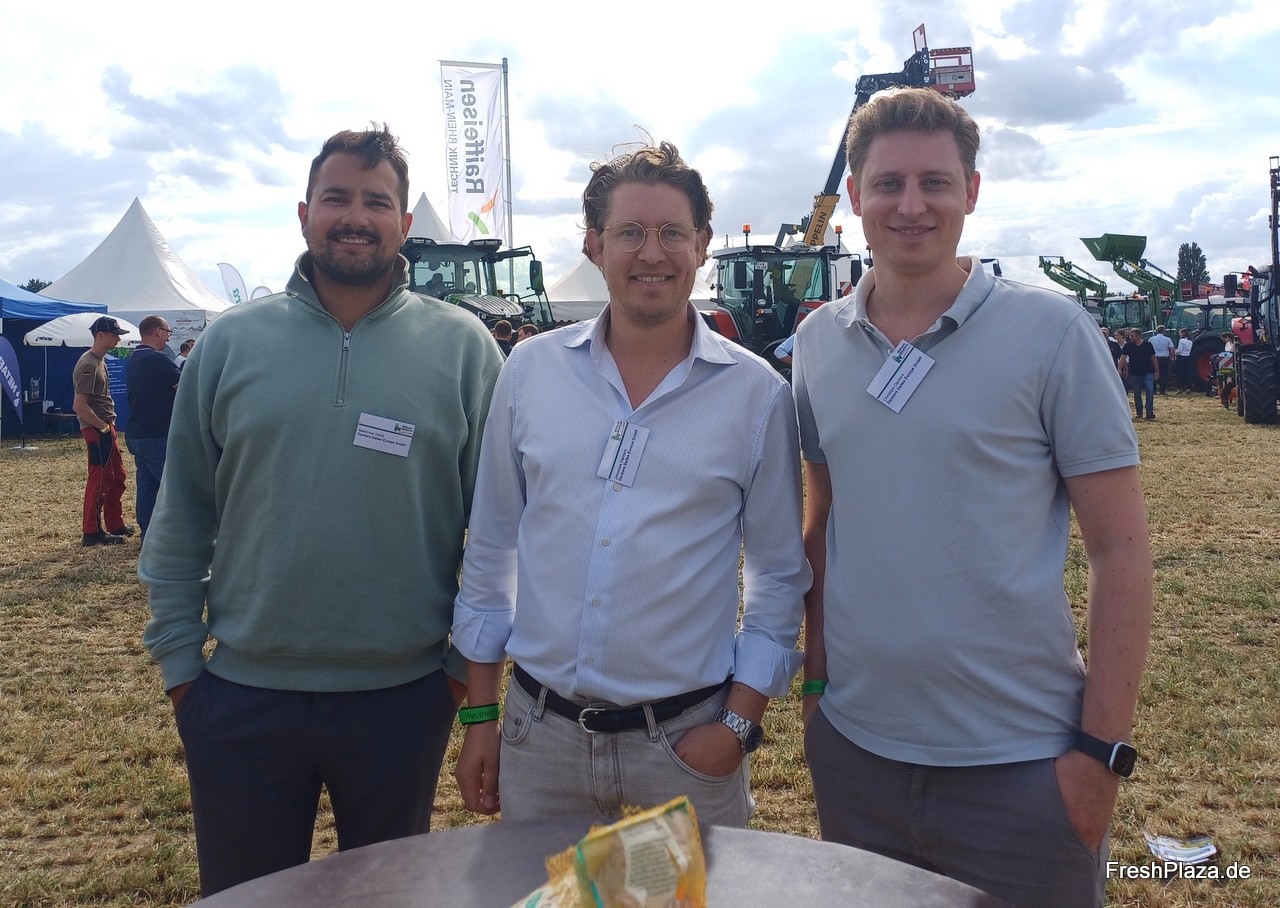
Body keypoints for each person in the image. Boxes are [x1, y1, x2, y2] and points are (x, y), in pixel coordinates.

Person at [793, 88, 1153, 908]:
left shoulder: (1053, 334)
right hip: (858, 758)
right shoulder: (817, 344)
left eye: (935, 182)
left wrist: (1100, 757)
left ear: (973, 191)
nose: (910, 205)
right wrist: (816, 698)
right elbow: (824, 525)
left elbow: (1120, 552)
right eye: (888, 183)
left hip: (1022, 768)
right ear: (854, 196)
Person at [139, 124, 504, 897]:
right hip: (241, 698)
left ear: (406, 223)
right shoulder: (230, 345)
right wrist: (182, 673)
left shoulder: (465, 349)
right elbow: (181, 517)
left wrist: (453, 678)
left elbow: (501, 533)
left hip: (403, 700)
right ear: (305, 213)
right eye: (337, 198)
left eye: (377, 201)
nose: (355, 217)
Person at [451, 141, 809, 828]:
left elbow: (776, 577)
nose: (652, 252)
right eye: (630, 233)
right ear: (593, 244)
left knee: (685, 891)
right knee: (544, 889)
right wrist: (480, 715)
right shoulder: (529, 372)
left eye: (673, 232)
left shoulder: (757, 396)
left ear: (702, 245)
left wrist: (737, 725)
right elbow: (493, 549)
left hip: (684, 748)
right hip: (540, 741)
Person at [72, 316, 133, 546]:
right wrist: (102, 428)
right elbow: (79, 405)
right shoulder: (88, 364)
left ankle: (114, 523)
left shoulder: (98, 360)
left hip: (105, 426)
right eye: (114, 335)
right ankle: (92, 531)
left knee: (117, 476)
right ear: (100, 335)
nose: (118, 339)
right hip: (98, 428)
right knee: (100, 480)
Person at [124, 315, 181, 539]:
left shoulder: (134, 358)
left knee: (147, 487)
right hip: (157, 434)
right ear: (157, 331)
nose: (168, 338)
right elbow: (185, 389)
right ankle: (175, 538)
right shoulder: (158, 359)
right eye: (167, 332)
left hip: (137, 433)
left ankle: (148, 535)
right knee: (172, 488)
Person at [1122, 328, 1159, 419]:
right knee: (1137, 393)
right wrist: (1119, 369)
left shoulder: (1148, 345)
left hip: (1148, 372)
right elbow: (1123, 358)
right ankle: (1139, 412)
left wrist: (1157, 371)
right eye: (1130, 336)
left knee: (1149, 391)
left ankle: (1149, 412)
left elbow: (1153, 358)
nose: (1130, 338)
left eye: (1132, 336)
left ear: (1138, 336)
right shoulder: (1128, 346)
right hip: (1134, 373)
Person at [1149, 325, 1174, 394]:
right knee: (1164, 374)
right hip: (1164, 358)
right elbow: (1172, 349)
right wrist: (1171, 356)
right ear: (1164, 331)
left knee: (1154, 373)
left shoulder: (1151, 339)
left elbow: (1148, 348)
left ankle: (1153, 390)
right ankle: (1162, 390)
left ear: (1157, 331)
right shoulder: (1168, 339)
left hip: (1154, 357)